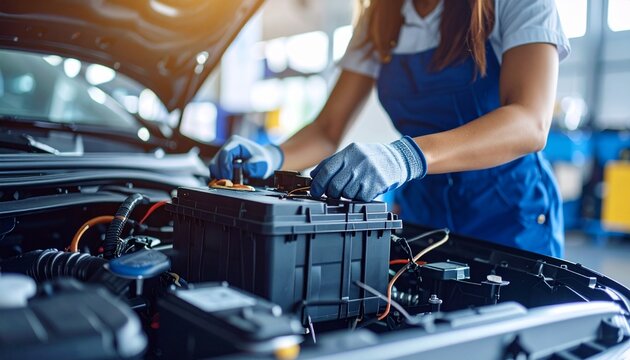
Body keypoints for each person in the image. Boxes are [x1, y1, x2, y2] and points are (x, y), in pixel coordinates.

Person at [209, 0, 570, 257]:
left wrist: (404, 156)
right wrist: (273, 155)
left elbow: (529, 121)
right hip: (423, 219)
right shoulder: (380, 17)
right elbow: (327, 129)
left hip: (510, 218)